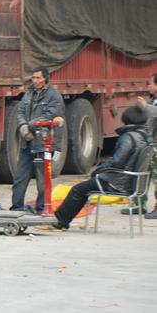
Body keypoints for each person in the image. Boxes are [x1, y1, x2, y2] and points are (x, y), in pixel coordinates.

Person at [53, 106, 150, 229]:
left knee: (77, 190)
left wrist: (98, 170)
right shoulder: (144, 137)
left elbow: (117, 162)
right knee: (84, 188)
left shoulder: (129, 137)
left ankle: (60, 221)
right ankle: (62, 221)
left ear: (127, 119)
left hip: (116, 182)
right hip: (130, 183)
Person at [10, 67, 65, 214]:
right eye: (33, 78)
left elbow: (50, 115)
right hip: (27, 143)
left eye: (38, 78)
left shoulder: (54, 96)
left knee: (43, 181)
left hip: (43, 144)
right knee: (20, 177)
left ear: (46, 78)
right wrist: (22, 126)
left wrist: (29, 125)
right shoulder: (29, 93)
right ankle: (16, 208)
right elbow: (20, 111)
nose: (35, 81)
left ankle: (42, 208)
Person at [126, 73, 157, 218]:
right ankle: (139, 204)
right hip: (149, 143)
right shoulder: (153, 100)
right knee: (141, 174)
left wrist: (146, 108)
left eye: (150, 83)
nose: (148, 86)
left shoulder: (151, 104)